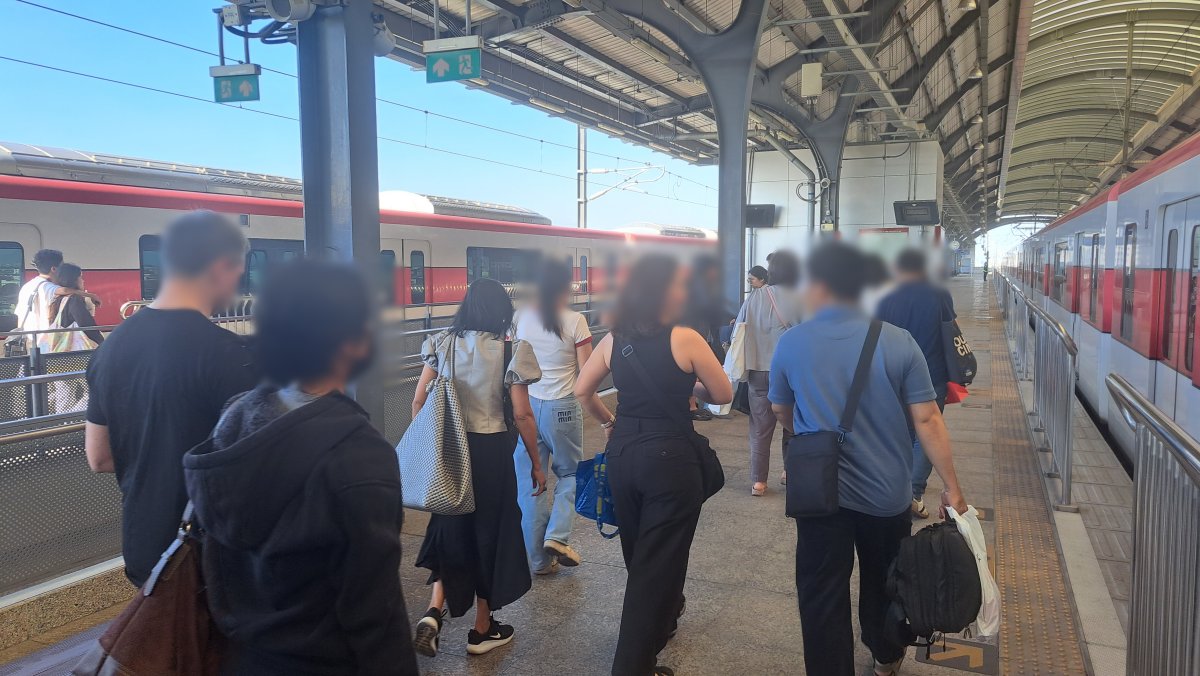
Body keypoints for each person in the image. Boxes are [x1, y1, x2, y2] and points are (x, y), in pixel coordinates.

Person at [182, 261, 419, 675]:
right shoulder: (358, 454)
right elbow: (374, 613)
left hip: (240, 657)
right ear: (354, 341)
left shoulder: (233, 419)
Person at [769, 241, 969, 676]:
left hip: (820, 495)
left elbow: (781, 411)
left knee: (821, 589)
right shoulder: (898, 342)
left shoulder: (791, 343)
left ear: (817, 285)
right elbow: (928, 419)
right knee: (884, 580)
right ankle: (885, 655)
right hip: (887, 494)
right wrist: (952, 487)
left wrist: (806, 433)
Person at [575, 254, 733, 676]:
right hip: (670, 460)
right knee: (656, 564)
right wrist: (686, 382)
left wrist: (610, 423)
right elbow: (722, 393)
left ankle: (659, 626)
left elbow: (582, 389)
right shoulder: (687, 337)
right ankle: (632, 666)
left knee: (641, 556)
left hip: (624, 454)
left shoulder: (614, 339)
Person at [84, 211, 258, 587]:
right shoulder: (231, 355)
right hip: (214, 557)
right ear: (222, 267)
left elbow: (99, 457)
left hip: (146, 549)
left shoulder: (110, 348)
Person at [411, 278, 546, 658]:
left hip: (453, 448)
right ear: (503, 310)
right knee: (492, 534)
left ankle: (434, 612)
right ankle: (481, 629)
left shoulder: (442, 342)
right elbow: (521, 413)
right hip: (490, 451)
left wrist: (433, 448)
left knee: (449, 525)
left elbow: (419, 398)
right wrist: (536, 463)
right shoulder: (512, 350)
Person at [512, 260, 593, 574]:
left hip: (527, 408)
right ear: (567, 286)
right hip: (562, 408)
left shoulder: (520, 318)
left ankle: (538, 560)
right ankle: (558, 536)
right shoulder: (576, 321)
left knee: (531, 482)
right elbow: (586, 375)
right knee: (570, 474)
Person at [876, 248, 956, 519]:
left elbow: (875, 331)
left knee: (898, 429)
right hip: (932, 371)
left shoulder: (886, 294)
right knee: (927, 430)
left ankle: (895, 487)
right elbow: (951, 329)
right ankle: (913, 491)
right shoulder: (938, 293)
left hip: (893, 371)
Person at [733, 250, 802, 496]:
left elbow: (739, 331)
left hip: (759, 370)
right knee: (792, 424)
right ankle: (790, 472)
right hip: (791, 372)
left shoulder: (755, 297)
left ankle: (758, 482)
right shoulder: (801, 298)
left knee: (760, 428)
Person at [16, 249, 101, 352]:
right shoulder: (47, 286)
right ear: (54, 269)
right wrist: (90, 295)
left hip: (30, 342)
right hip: (47, 342)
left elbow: (20, 317)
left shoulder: (27, 287)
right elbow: (64, 290)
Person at [47, 264, 104, 349]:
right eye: (80, 277)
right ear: (73, 280)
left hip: (59, 351)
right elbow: (87, 325)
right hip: (74, 355)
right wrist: (103, 343)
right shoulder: (74, 299)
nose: (83, 281)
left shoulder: (56, 299)